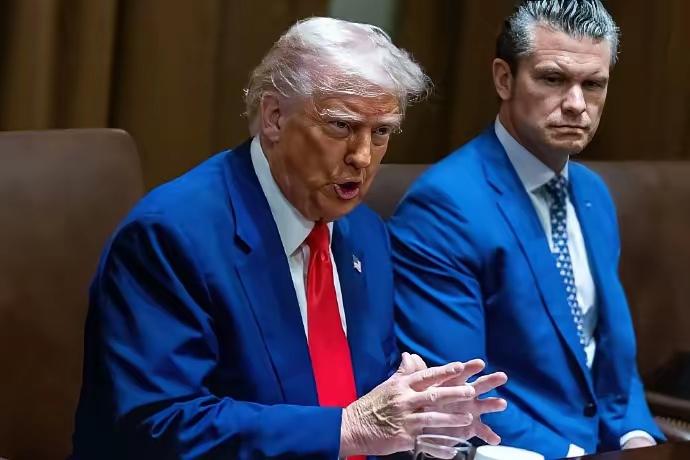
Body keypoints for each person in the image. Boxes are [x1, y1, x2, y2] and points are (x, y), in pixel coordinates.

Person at [72, 17, 507, 459]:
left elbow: (368, 401)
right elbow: (158, 425)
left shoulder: (365, 233)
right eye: (341, 126)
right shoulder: (170, 237)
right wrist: (348, 429)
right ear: (274, 117)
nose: (362, 157)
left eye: (380, 132)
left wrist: (420, 420)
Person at [388, 1, 664, 458]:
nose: (576, 104)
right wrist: (573, 454)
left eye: (593, 84)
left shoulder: (593, 194)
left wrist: (635, 436)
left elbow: (607, 356)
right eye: (553, 79)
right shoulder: (443, 206)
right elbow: (458, 389)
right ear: (504, 79)